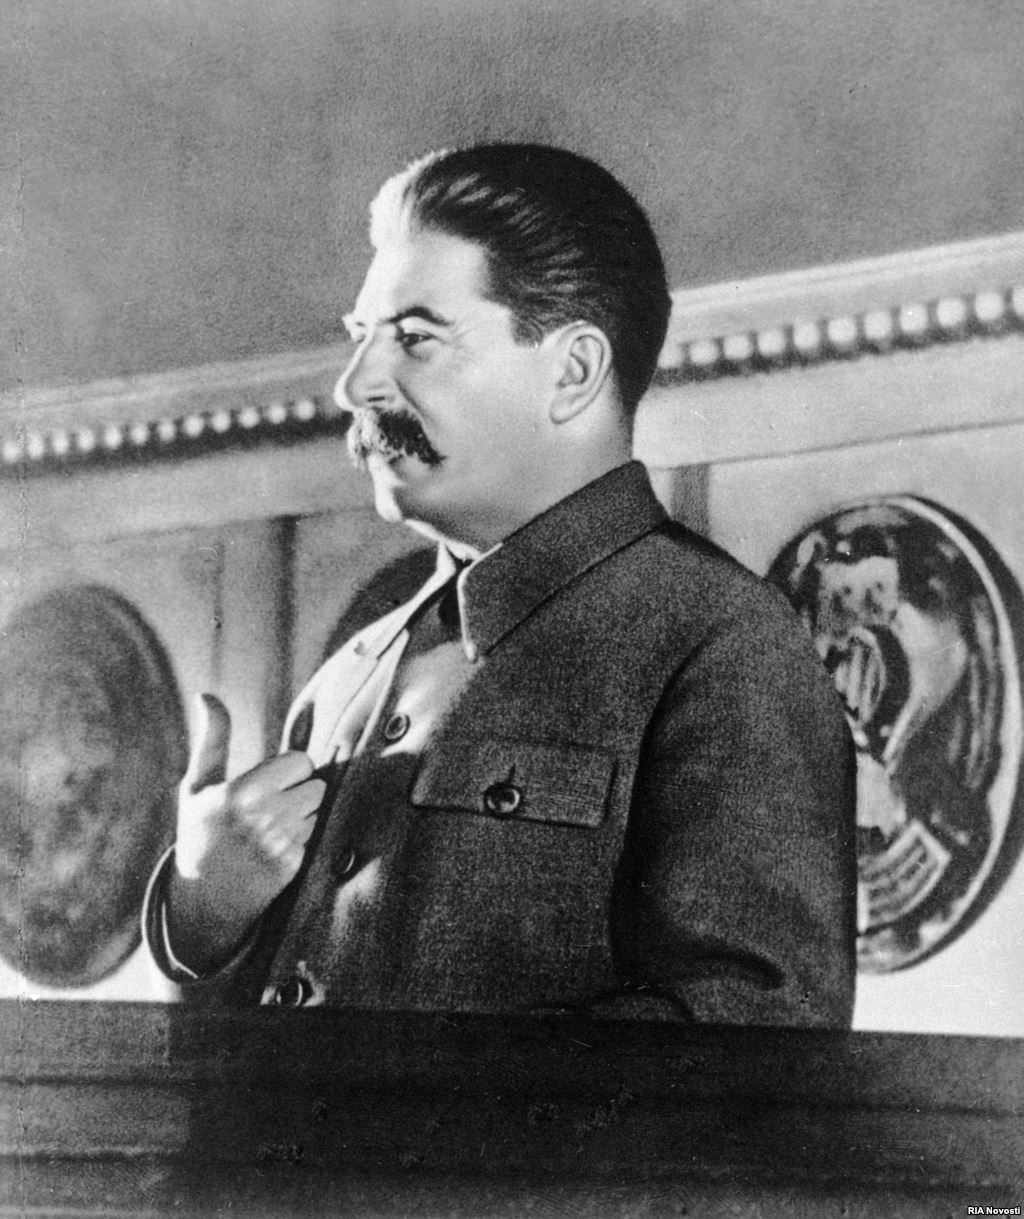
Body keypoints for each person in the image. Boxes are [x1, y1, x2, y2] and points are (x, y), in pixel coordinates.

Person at [144, 143, 857, 1025]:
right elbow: (234, 1067)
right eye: (361, 337)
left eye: (414, 338)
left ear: (573, 372)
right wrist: (203, 913)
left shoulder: (723, 644)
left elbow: (753, 1045)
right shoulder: (348, 676)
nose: (353, 385)